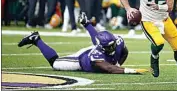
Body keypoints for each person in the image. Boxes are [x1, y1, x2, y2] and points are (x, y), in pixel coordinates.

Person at [17, 12, 148, 74]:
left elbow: (125, 52)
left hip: (100, 51)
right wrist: (130, 70)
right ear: (103, 48)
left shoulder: (117, 40)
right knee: (55, 64)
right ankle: (36, 39)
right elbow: (108, 68)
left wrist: (119, 64)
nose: (114, 47)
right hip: (81, 60)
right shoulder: (96, 54)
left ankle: (86, 23)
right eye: (110, 47)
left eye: (113, 44)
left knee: (97, 38)